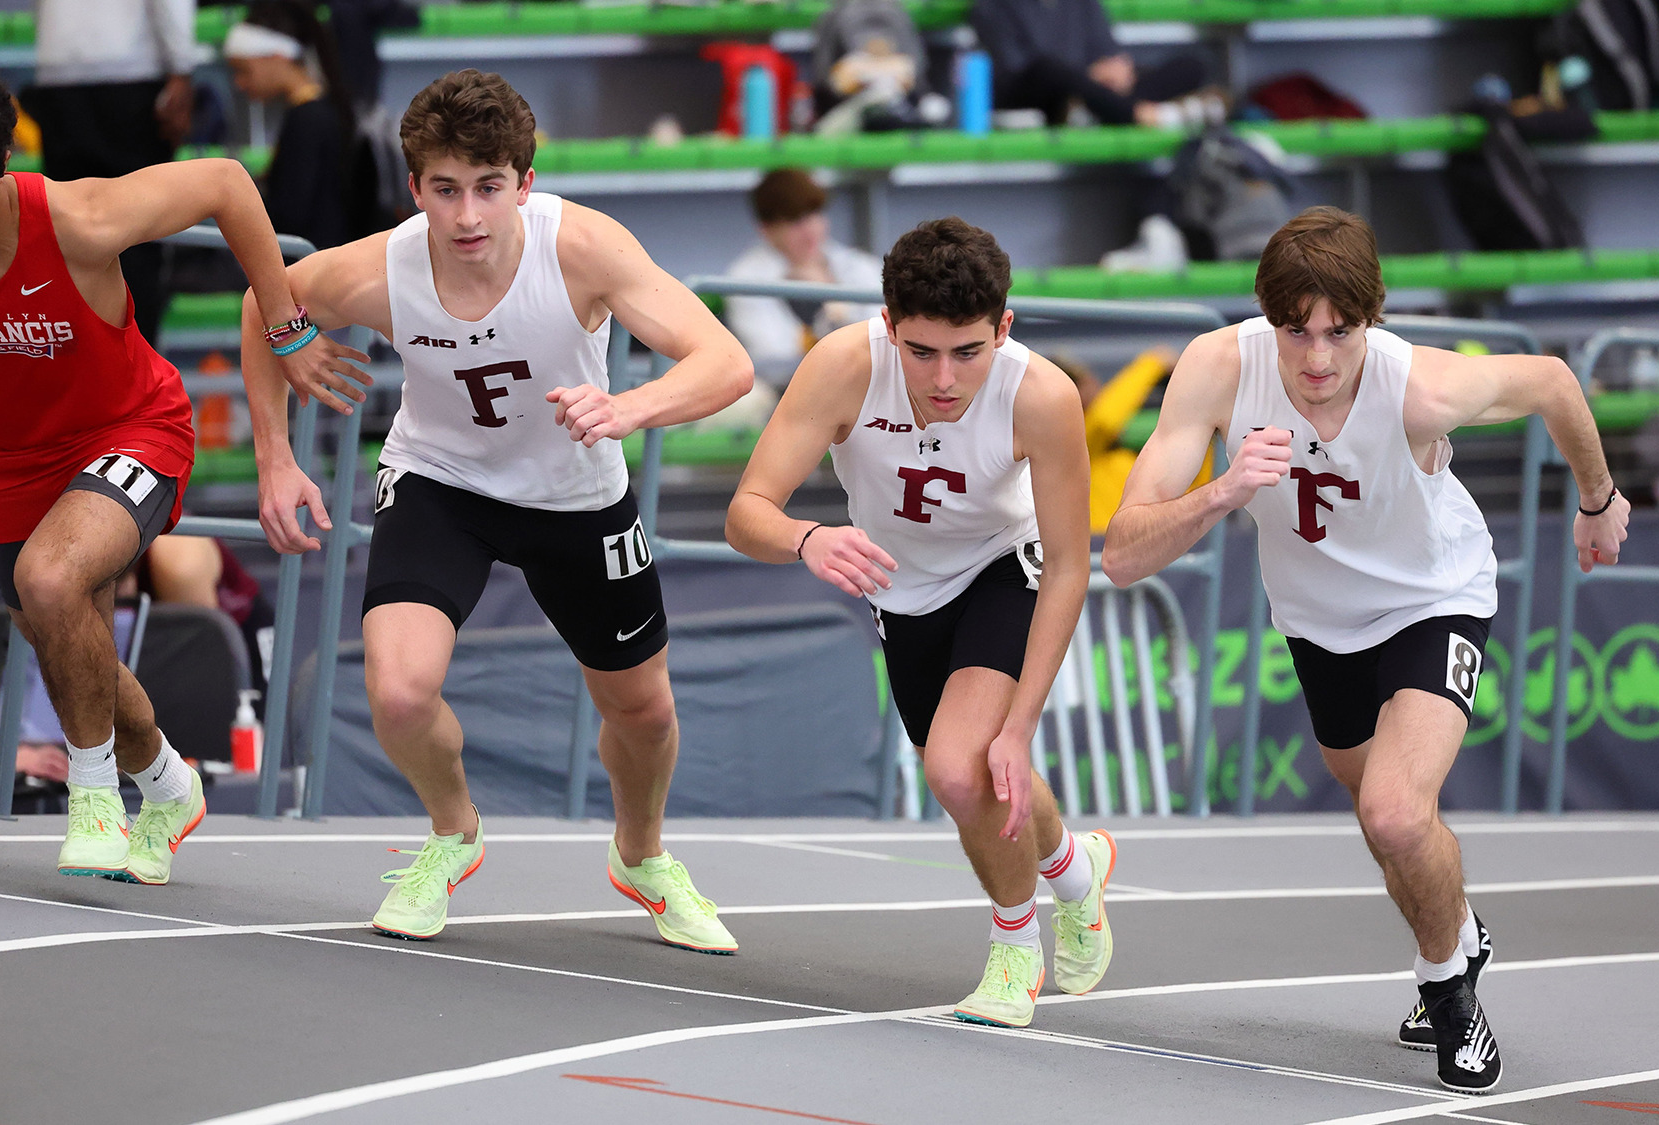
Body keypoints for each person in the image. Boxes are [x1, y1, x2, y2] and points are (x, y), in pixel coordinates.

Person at [1102, 206, 1631, 1093]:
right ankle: (1460, 928)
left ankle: (1449, 991)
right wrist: (1224, 490)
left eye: (1338, 333)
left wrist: (1597, 496)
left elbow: (1551, 380)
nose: (1315, 359)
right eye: (1294, 332)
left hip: (1434, 599)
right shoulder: (1219, 369)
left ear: (1372, 319)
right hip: (1319, 626)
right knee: (1388, 826)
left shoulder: (1416, 388)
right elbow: (1122, 553)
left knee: (1393, 809)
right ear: (1266, 320)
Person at [242, 69, 755, 945]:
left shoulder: (584, 249)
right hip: (443, 481)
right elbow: (266, 301)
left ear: (526, 182)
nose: (468, 216)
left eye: (489, 189)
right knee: (399, 693)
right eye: (445, 191)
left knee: (645, 712)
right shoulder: (382, 269)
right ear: (416, 189)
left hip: (576, 492)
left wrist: (628, 408)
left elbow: (726, 361)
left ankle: (641, 852)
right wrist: (276, 456)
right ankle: (452, 834)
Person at [0, 60, 359, 882]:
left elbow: (223, 181)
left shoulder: (78, 217)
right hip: (15, 465)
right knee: (72, 649)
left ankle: (94, 799)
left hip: (133, 432)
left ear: (0, 172)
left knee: (47, 577)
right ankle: (166, 782)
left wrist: (287, 328)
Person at [726, 217, 1113, 1028]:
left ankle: (1015, 949)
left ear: (1004, 330)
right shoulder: (840, 366)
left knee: (959, 767)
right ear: (889, 323)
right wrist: (808, 537)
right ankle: (1076, 871)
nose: (943, 378)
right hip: (900, 594)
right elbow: (746, 511)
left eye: (968, 352)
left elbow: (1072, 565)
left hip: (1004, 569)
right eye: (922, 351)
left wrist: (1023, 719)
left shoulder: (1041, 394)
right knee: (979, 773)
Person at [20, 0, 203, 345]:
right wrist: (181, 68)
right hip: (128, 74)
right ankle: (137, 367)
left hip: (59, 72)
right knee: (138, 231)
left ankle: (83, 365)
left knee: (69, 233)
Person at [724, 168, 882, 388]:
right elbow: (773, 359)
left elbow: (881, 341)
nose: (810, 230)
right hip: (785, 392)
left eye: (815, 214)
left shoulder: (860, 266)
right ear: (766, 229)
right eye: (795, 221)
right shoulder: (745, 279)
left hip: (862, 385)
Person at [223, 0, 360, 251]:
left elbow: (290, 214)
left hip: (312, 265)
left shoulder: (309, 119)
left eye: (244, 70)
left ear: (277, 57)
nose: (239, 83)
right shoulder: (318, 110)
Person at [969, 0, 1212, 127]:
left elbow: (1106, 50)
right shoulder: (993, 4)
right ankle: (1135, 114)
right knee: (1049, 69)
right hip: (1038, 97)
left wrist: (1117, 70)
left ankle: (1101, 112)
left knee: (1192, 65)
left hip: (1093, 92)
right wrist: (1088, 76)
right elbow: (1018, 67)